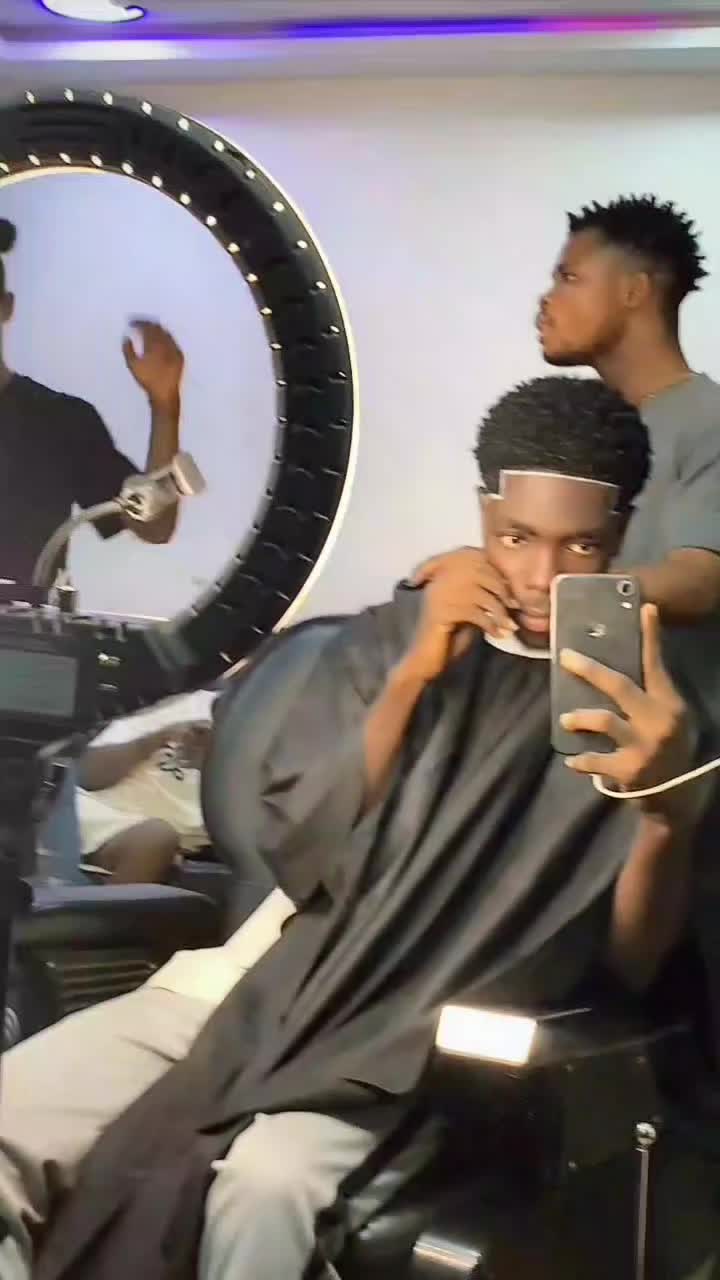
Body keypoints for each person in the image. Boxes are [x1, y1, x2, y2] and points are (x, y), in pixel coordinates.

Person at [0, 377, 706, 1280]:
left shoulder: (651, 705)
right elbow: (307, 852)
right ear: (484, 514)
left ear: (622, 535)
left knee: (267, 1185)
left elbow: (624, 966)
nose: (540, 577)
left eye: (582, 545)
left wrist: (663, 809)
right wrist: (412, 675)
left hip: (402, 1032)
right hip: (255, 982)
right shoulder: (389, 641)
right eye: (516, 537)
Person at [537, 195, 720, 731]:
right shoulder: (588, 433)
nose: (546, 299)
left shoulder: (708, 422)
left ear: (634, 292)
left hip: (679, 759)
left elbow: (700, 581)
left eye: (569, 278)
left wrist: (549, 588)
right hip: (582, 743)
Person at [0, 217, 184, 588]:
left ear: (6, 307)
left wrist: (165, 407)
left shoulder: (60, 420)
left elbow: (155, 526)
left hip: (21, 628)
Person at [77, 718, 213, 884]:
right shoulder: (178, 711)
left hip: (151, 835)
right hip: (91, 806)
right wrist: (157, 739)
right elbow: (86, 776)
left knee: (157, 836)